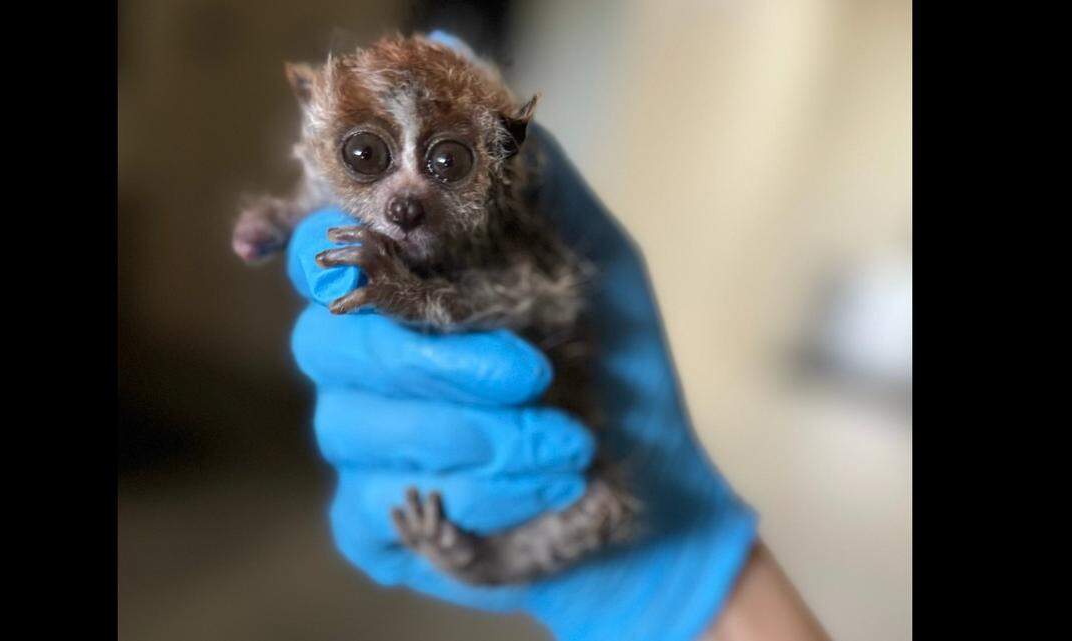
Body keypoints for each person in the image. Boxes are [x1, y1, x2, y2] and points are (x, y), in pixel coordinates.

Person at [285, 125, 831, 641]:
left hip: (573, 426)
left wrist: (687, 580)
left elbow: (529, 292)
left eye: (447, 160)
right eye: (367, 154)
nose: (404, 198)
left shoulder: (512, 220)